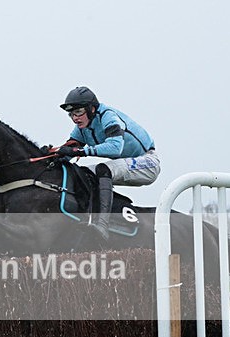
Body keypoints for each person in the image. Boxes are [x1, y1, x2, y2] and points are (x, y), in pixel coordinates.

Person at [53, 86, 160, 240]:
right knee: (82, 174)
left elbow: (115, 148)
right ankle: (88, 217)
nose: (75, 118)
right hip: (125, 163)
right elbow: (70, 149)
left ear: (91, 109)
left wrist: (80, 152)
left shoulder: (107, 116)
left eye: (78, 112)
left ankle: (102, 226)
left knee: (104, 169)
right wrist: (52, 155)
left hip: (148, 163)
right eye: (71, 114)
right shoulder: (82, 128)